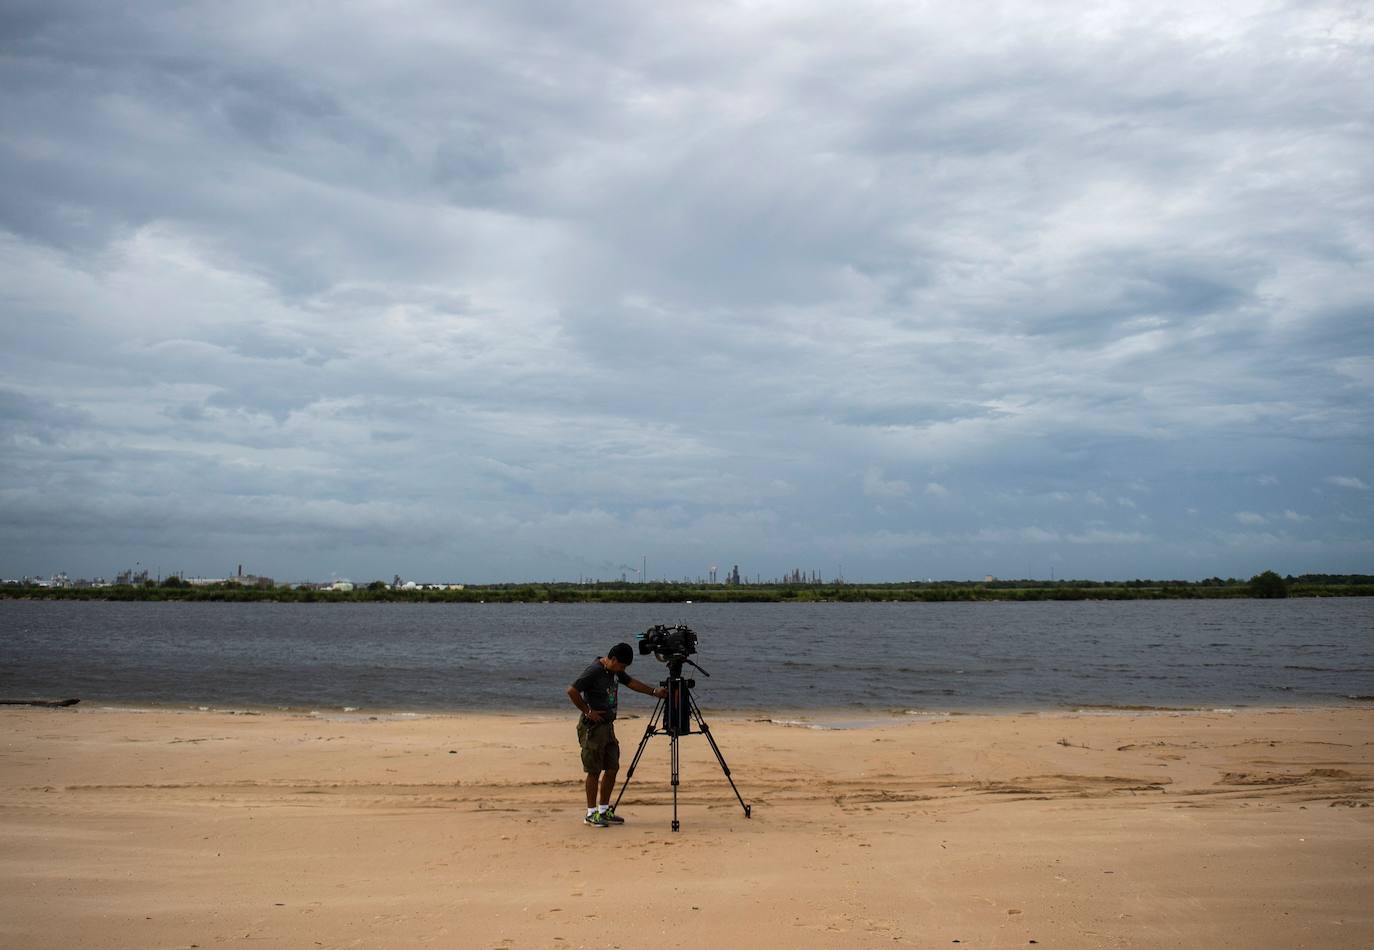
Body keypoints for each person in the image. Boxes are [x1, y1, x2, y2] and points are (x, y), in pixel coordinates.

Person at [566, 642, 666, 827]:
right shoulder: (594, 670)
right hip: (593, 728)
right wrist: (588, 711)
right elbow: (572, 690)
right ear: (612, 659)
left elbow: (630, 682)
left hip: (608, 727)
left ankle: (604, 810)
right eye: (621, 666)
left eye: (624, 668)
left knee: (612, 767)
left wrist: (654, 692)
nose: (622, 670)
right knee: (594, 771)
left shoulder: (614, 671)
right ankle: (591, 813)